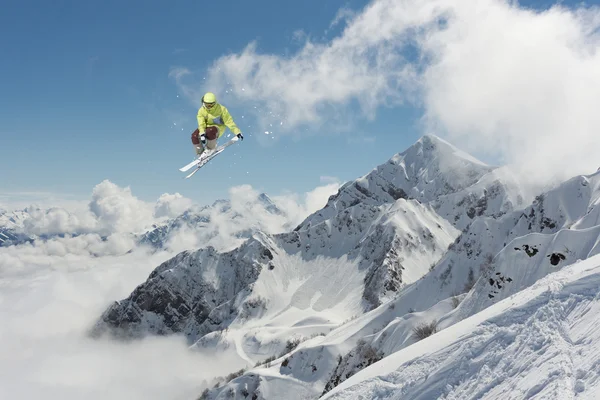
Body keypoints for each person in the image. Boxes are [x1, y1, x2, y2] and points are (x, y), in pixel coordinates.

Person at [191, 92, 244, 157]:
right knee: (194, 136)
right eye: (207, 105)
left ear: (215, 103)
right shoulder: (201, 111)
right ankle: (200, 154)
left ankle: (210, 149)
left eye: (211, 105)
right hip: (206, 127)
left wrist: (237, 132)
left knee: (210, 131)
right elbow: (201, 123)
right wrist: (202, 133)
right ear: (204, 103)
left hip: (217, 128)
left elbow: (229, 121)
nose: (209, 107)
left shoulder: (221, 109)